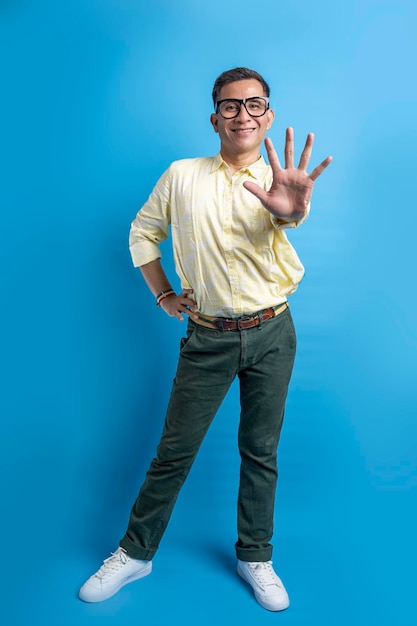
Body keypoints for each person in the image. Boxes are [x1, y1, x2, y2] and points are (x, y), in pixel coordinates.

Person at [79, 67, 332, 611]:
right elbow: (143, 232)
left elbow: (290, 215)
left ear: (269, 115)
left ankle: (255, 555)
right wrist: (164, 295)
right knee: (174, 452)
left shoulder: (280, 179)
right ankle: (135, 552)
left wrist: (293, 211)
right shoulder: (181, 175)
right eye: (231, 105)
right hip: (208, 337)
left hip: (272, 331)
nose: (243, 114)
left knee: (261, 451)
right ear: (214, 117)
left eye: (255, 104)